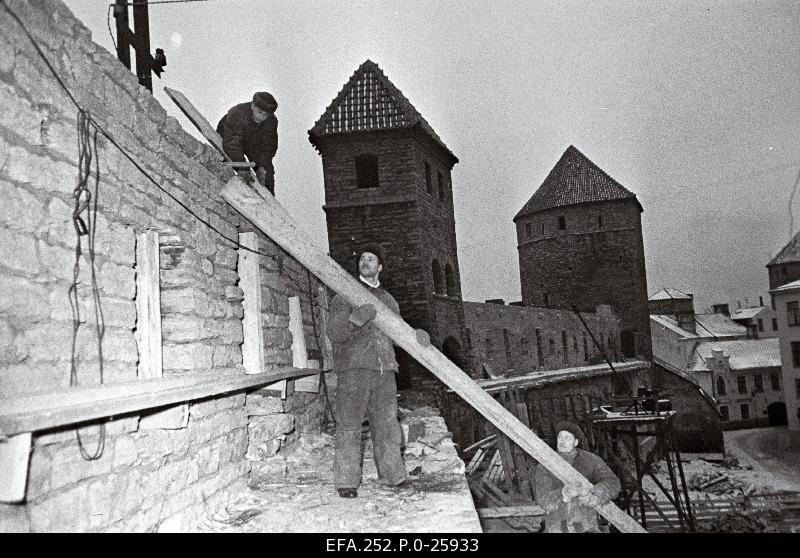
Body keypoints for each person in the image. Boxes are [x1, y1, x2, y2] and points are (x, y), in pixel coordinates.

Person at [326, 243, 431, 498]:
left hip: (385, 370)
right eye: (362, 258)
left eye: (371, 259)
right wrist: (353, 320)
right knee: (349, 425)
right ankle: (347, 482)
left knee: (386, 425)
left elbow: (398, 335)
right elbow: (334, 332)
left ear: (380, 267)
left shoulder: (389, 301)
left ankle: (393, 475)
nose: (365, 262)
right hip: (354, 369)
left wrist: (417, 336)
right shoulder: (344, 295)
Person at [534, 421, 621, 532]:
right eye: (560, 437)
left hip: (586, 527)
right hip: (557, 528)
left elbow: (613, 482)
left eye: (567, 438)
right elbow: (544, 500)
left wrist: (595, 492)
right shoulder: (545, 465)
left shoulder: (591, 460)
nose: (562, 442)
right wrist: (563, 493)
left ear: (576, 442)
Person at [216, 91, 278, 194]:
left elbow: (268, 148)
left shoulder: (271, 121)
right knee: (228, 165)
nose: (261, 118)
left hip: (251, 142)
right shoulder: (238, 113)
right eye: (259, 112)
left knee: (267, 175)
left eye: (265, 115)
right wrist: (242, 166)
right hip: (229, 136)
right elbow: (232, 143)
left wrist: (262, 167)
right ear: (253, 106)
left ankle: (269, 200)